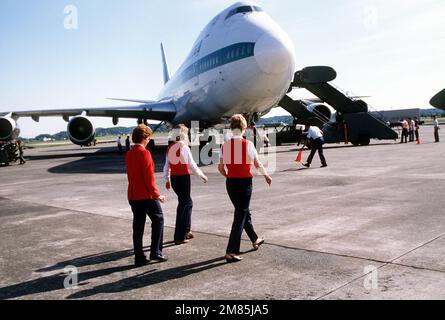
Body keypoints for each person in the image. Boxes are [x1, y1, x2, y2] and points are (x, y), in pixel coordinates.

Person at [219, 114, 272, 263]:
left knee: (243, 211)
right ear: (244, 127)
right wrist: (267, 176)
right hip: (244, 183)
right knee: (240, 214)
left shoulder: (225, 145)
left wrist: (229, 176)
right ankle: (231, 250)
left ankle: (255, 239)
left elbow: (220, 168)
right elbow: (257, 164)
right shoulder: (248, 144)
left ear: (231, 127)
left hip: (231, 183)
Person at [125, 125, 167, 266]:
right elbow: (148, 179)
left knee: (138, 226)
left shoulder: (129, 153)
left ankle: (139, 256)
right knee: (159, 219)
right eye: (148, 137)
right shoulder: (145, 153)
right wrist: (157, 195)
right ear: (144, 138)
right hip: (146, 195)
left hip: (133, 195)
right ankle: (156, 251)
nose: (149, 140)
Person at [163, 124, 208, 245]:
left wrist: (167, 179)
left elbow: (166, 165)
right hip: (183, 178)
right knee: (184, 204)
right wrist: (201, 175)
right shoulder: (184, 147)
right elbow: (192, 165)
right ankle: (179, 235)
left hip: (174, 179)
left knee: (187, 202)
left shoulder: (170, 147)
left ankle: (187, 230)